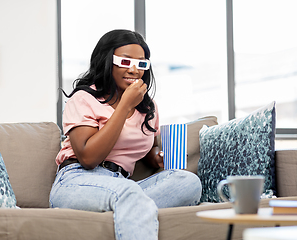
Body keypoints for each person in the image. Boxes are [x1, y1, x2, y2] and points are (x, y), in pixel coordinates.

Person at [49, 29, 202, 240]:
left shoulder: (148, 108)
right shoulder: (84, 98)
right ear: (107, 61)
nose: (134, 70)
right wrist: (124, 106)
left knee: (189, 182)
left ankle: (125, 211)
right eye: (125, 61)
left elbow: (149, 148)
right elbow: (88, 158)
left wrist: (157, 157)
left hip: (123, 183)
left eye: (141, 64)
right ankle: (128, 207)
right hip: (78, 180)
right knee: (128, 194)